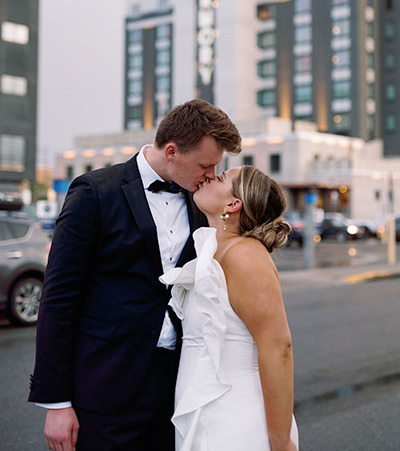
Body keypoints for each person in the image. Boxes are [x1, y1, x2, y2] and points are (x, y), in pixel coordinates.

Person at [28, 99, 241, 451]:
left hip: (176, 384)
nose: (211, 174)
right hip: (104, 385)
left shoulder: (200, 201)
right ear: (172, 151)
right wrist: (57, 403)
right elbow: (58, 298)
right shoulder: (95, 192)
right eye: (206, 164)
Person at [161, 165, 299, 451]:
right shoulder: (218, 251)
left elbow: (278, 348)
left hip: (236, 419)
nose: (211, 176)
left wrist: (280, 442)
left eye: (221, 177)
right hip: (205, 408)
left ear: (233, 204)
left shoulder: (245, 256)